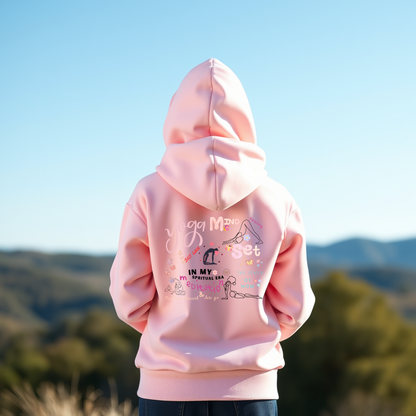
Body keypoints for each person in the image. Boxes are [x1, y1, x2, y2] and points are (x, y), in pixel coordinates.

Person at [110, 58, 315, 416]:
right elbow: (294, 307)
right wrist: (247, 342)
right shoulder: (278, 198)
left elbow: (128, 297)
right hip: (252, 391)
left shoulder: (148, 193)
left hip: (166, 390)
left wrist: (171, 327)